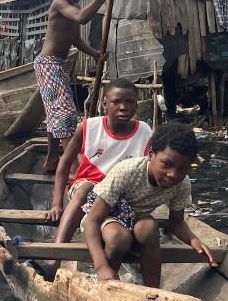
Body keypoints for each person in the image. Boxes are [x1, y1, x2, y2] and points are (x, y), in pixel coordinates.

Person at [42, 78, 151, 280]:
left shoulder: (144, 131)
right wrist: (57, 203)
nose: (123, 107)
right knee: (85, 189)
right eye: (116, 102)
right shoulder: (88, 127)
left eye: (129, 102)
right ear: (104, 104)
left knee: (119, 241)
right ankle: (54, 257)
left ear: (136, 105)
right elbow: (64, 164)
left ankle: (106, 274)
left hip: (121, 197)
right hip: (87, 186)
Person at [82, 123, 216, 287]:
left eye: (182, 169)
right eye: (166, 164)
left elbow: (177, 222)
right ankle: (107, 281)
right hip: (110, 216)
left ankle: (153, 290)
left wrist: (193, 239)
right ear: (151, 154)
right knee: (119, 237)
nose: (173, 175)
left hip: (135, 220)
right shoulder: (127, 171)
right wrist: (101, 266)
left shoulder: (182, 184)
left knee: (149, 227)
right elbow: (93, 220)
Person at [35, 0, 119, 173]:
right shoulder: (59, 4)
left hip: (56, 64)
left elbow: (75, 39)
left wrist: (95, 54)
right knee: (64, 114)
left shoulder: (73, 7)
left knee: (55, 113)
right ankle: (74, 168)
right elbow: (82, 18)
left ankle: (52, 160)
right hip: (48, 64)